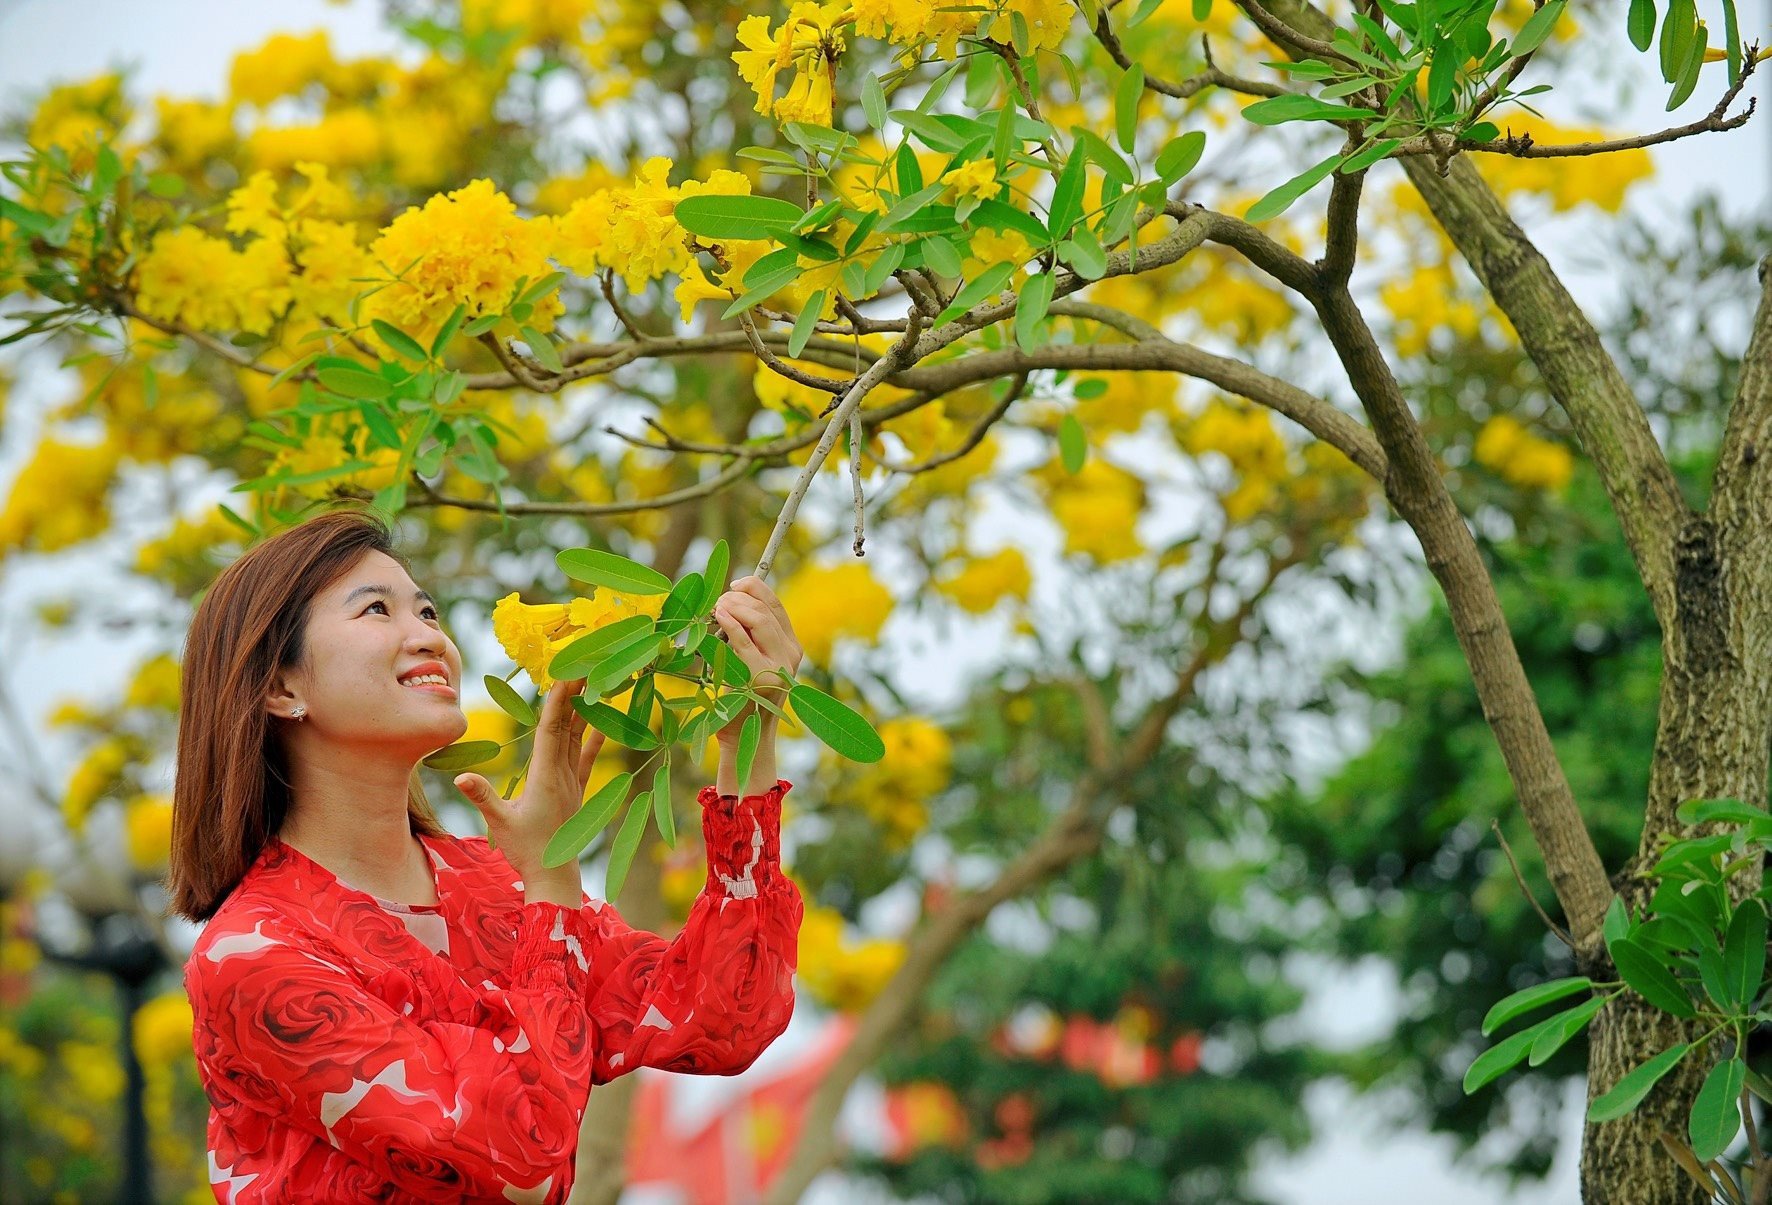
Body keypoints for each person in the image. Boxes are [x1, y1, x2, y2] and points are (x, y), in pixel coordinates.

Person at [168, 505, 806, 1203]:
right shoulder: (255, 956)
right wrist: (552, 873)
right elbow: (522, 1165)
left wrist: (749, 734)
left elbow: (721, 1019)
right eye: (377, 610)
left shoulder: (496, 882)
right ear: (280, 687)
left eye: (429, 611)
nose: (429, 638)